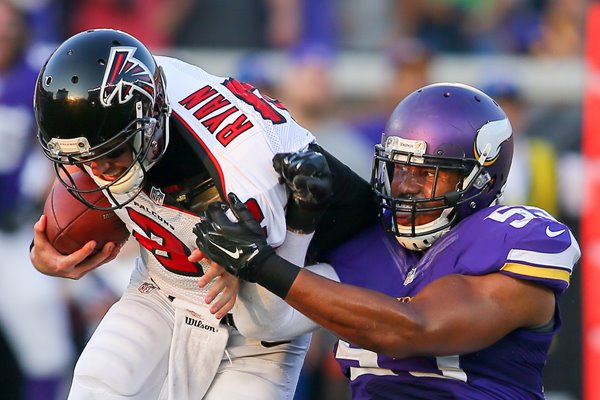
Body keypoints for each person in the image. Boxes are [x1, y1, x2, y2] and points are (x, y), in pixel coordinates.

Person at [30, 28, 377, 399]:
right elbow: (95, 154)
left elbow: (269, 318)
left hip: (262, 321)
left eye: (110, 154)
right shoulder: (127, 95)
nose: (98, 171)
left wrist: (268, 248)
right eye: (84, 160)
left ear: (151, 121)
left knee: (254, 318)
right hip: (163, 286)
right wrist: (54, 246)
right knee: (98, 383)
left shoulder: (243, 172)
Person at [192, 82, 581, 399]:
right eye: (398, 169)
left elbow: (414, 328)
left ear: (481, 178)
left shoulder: (510, 237)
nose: (405, 187)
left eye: (427, 173)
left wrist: (261, 264)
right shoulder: (369, 242)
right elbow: (270, 322)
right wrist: (299, 225)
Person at [0, 1, 76, 399]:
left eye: (9, 26)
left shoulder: (36, 81)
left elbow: (61, 155)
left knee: (47, 353)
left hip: (14, 232)